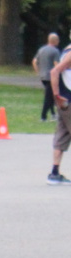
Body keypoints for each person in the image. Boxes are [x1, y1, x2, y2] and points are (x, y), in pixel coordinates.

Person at [46, 46, 71, 183]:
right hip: (68, 101)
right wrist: (56, 95)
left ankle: (54, 173)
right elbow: (54, 71)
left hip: (65, 103)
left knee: (62, 136)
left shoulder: (66, 50)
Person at [33, 32, 62, 121]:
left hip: (43, 76)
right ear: (55, 41)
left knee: (51, 95)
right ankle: (43, 116)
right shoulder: (55, 51)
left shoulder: (41, 49)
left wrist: (38, 72)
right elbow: (56, 64)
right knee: (49, 97)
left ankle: (53, 114)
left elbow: (34, 61)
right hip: (51, 77)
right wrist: (60, 74)